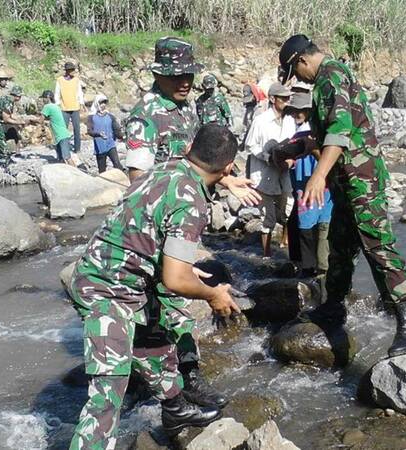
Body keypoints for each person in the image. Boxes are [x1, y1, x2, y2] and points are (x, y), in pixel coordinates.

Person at [68, 124, 240, 449]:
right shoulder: (192, 203)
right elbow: (175, 279)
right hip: (106, 292)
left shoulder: (169, 167)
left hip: (118, 279)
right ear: (228, 166)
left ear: (190, 148)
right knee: (107, 397)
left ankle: (175, 409)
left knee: (151, 341)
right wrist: (214, 294)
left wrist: (226, 180)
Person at [124, 36, 260, 410]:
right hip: (160, 225)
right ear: (158, 74)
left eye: (188, 74)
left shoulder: (187, 110)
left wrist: (227, 178)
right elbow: (139, 180)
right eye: (176, 75)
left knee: (174, 304)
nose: (185, 81)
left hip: (184, 219)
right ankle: (179, 384)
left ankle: (181, 378)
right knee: (172, 302)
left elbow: (197, 161)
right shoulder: (144, 115)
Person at [278, 34, 406, 357]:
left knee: (377, 246)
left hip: (362, 180)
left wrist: (317, 176)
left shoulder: (329, 77)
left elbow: (339, 133)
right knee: (341, 248)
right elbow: (324, 135)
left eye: (296, 73)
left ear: (302, 61)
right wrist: (299, 147)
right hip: (347, 180)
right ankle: (334, 308)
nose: (297, 80)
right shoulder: (329, 79)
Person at [275, 91, 331, 278]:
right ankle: (313, 269)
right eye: (295, 111)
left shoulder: (314, 136)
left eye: (302, 110)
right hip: (306, 188)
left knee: (318, 228)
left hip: (320, 188)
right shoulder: (300, 136)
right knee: (311, 227)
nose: (297, 114)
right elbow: (282, 156)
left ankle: (316, 268)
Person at [244, 82, 295, 257]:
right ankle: (266, 256)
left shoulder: (290, 120)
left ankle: (285, 243)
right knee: (268, 217)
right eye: (284, 98)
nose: (287, 101)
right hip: (264, 173)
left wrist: (289, 159)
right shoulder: (261, 120)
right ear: (273, 99)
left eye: (289, 98)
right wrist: (267, 157)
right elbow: (250, 146)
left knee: (288, 208)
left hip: (284, 172)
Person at [87, 94, 124, 173]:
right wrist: (99, 134)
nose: (103, 105)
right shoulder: (91, 117)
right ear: (97, 104)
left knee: (117, 164)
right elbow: (89, 131)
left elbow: (116, 130)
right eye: (101, 103)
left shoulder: (110, 116)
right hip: (100, 147)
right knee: (102, 170)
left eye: (104, 103)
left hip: (111, 145)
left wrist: (123, 136)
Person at [55, 61, 85, 153]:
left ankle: (77, 148)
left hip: (75, 107)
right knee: (64, 130)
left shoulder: (76, 80)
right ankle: (64, 147)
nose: (73, 72)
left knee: (77, 129)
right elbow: (57, 93)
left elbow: (79, 92)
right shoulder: (60, 80)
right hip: (64, 108)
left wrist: (81, 103)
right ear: (68, 71)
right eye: (72, 70)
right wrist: (58, 104)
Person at [40, 90, 75, 166]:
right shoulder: (56, 106)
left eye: (43, 98)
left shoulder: (47, 106)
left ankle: (77, 173)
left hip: (61, 136)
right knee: (60, 158)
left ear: (48, 97)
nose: (42, 100)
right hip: (61, 136)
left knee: (67, 157)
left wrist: (28, 120)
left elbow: (41, 120)